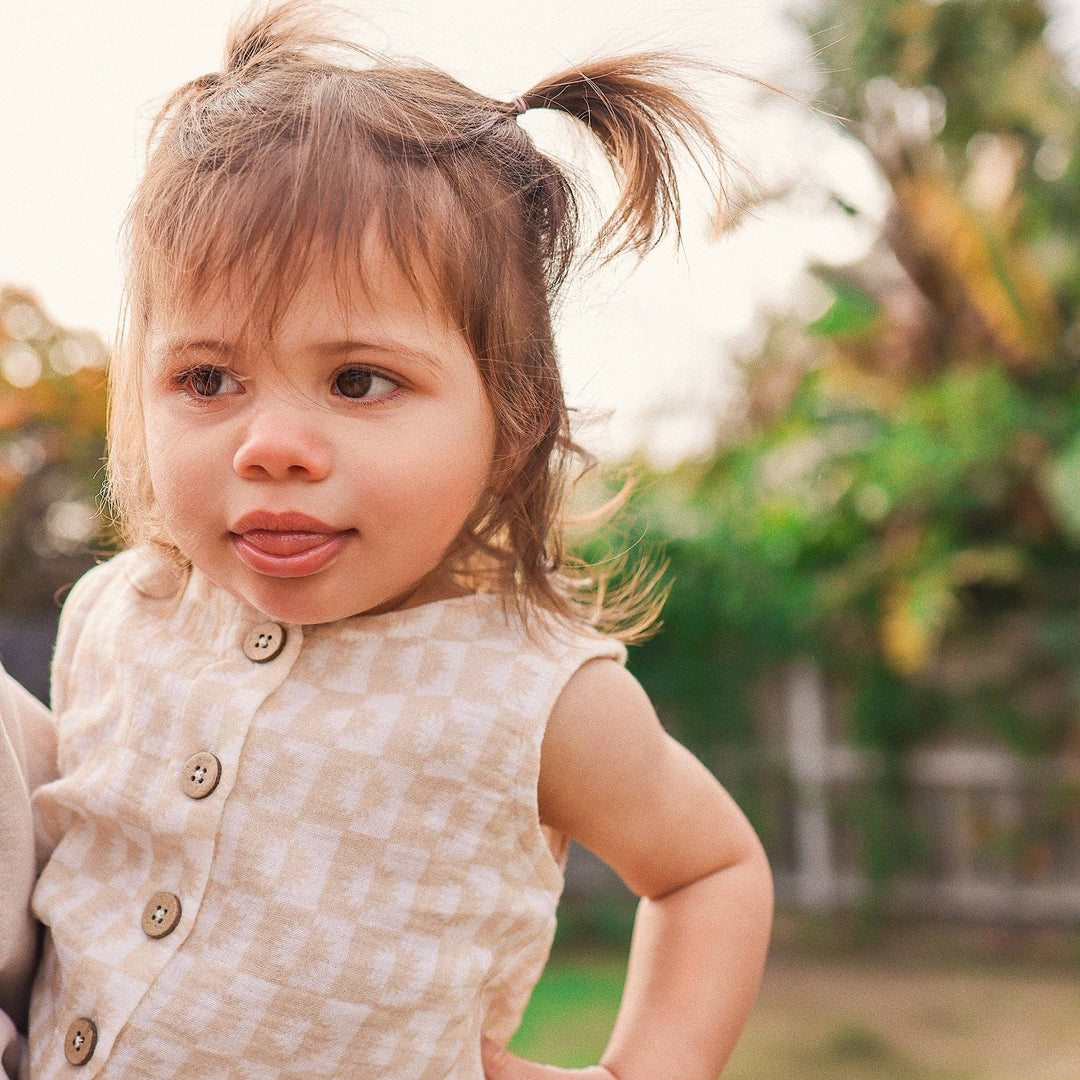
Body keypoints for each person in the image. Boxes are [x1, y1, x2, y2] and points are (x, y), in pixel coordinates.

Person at [11, 2, 774, 1077]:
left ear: (507, 424)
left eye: (359, 380)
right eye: (208, 379)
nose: (272, 445)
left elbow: (710, 869)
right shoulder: (121, 614)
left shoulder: (533, 692)